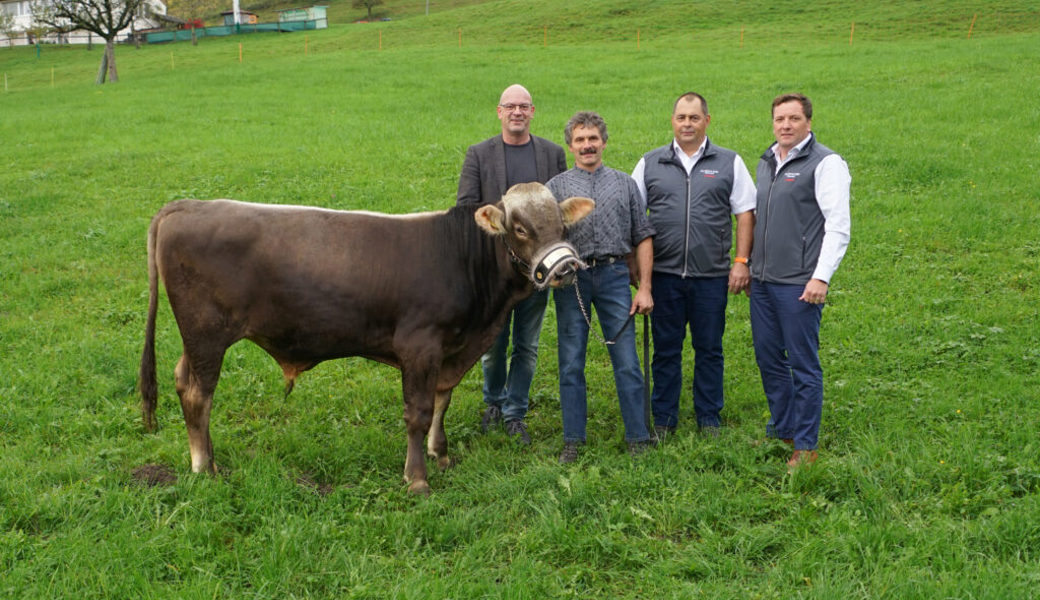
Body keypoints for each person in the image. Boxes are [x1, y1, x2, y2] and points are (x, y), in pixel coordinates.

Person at [632, 91, 756, 439]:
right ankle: (664, 418)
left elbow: (745, 213)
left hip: (711, 276)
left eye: (694, 117)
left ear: (707, 121)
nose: (687, 123)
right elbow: (634, 217)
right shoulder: (650, 163)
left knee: (710, 349)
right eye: (681, 117)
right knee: (666, 349)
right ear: (672, 120)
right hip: (664, 276)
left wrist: (741, 262)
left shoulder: (729, 162)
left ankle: (709, 418)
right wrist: (639, 273)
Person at [457, 84, 568, 445]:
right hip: (495, 273)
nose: (517, 112)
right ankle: (493, 401)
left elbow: (559, 212)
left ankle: (515, 411)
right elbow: (465, 209)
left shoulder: (552, 154)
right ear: (499, 112)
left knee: (527, 344)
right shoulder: (479, 154)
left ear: (533, 111)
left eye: (523, 106)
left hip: (536, 269)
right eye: (510, 107)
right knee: (493, 341)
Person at [547, 111, 656, 464]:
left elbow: (642, 236)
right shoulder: (557, 188)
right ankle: (573, 440)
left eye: (593, 138)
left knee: (626, 360)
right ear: (570, 145)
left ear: (604, 142)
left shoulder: (624, 184)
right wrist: (555, 273)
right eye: (580, 140)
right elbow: (546, 239)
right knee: (570, 362)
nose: (587, 145)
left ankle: (639, 436)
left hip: (613, 277)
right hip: (572, 281)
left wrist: (644, 287)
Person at [749, 93, 851, 469]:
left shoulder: (826, 163)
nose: (786, 125)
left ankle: (806, 444)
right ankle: (783, 427)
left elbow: (838, 226)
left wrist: (820, 277)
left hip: (799, 284)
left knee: (803, 364)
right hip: (762, 281)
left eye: (794, 118)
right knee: (768, 359)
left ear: (808, 121)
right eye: (780, 119)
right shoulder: (766, 160)